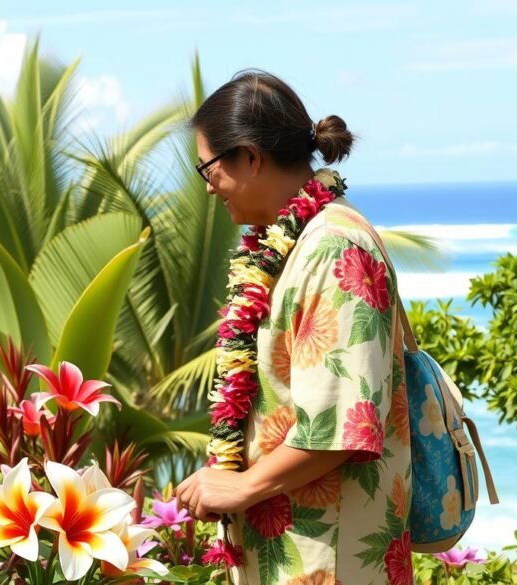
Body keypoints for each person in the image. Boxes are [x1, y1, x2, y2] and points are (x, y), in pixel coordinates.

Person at [175, 71, 413, 584]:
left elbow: (344, 427)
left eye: (208, 168)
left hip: (331, 559)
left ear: (250, 157)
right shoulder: (294, 242)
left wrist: (240, 487)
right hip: (296, 553)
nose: (209, 186)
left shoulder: (334, 248)